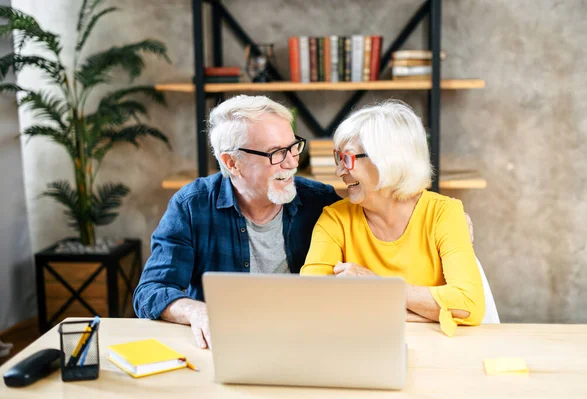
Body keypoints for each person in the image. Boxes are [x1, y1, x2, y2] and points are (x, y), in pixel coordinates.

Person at [133, 95, 340, 348]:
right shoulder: (192, 206)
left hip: (308, 342)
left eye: (293, 146)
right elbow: (150, 291)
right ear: (232, 163)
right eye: (276, 152)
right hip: (226, 344)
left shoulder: (321, 202)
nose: (292, 162)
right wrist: (197, 312)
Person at [300, 101, 485, 336]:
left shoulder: (444, 214)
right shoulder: (335, 219)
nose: (339, 172)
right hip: (361, 346)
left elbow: (469, 305)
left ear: (386, 160)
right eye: (338, 158)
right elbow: (311, 301)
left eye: (347, 159)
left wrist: (379, 287)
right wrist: (425, 310)